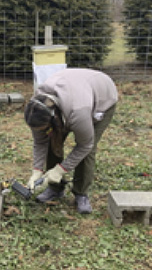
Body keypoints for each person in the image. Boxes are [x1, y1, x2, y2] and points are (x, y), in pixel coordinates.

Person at [24, 68, 118, 214]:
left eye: (45, 128)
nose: (40, 132)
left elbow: (85, 145)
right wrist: (37, 170)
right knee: (51, 140)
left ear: (55, 119)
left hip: (102, 97)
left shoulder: (77, 112)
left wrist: (60, 170)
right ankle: (55, 189)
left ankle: (81, 193)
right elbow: (40, 142)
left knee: (87, 151)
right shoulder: (36, 108)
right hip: (75, 89)